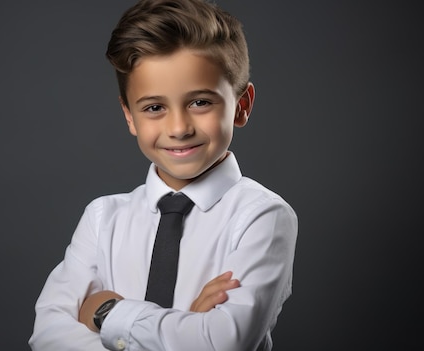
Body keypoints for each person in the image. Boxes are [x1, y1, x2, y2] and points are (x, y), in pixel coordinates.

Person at [28, 0, 298, 349]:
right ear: (129, 117)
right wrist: (188, 323)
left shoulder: (262, 216)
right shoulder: (102, 218)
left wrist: (106, 312)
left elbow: (222, 342)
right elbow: (48, 338)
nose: (178, 127)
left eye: (200, 102)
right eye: (154, 108)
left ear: (241, 106)